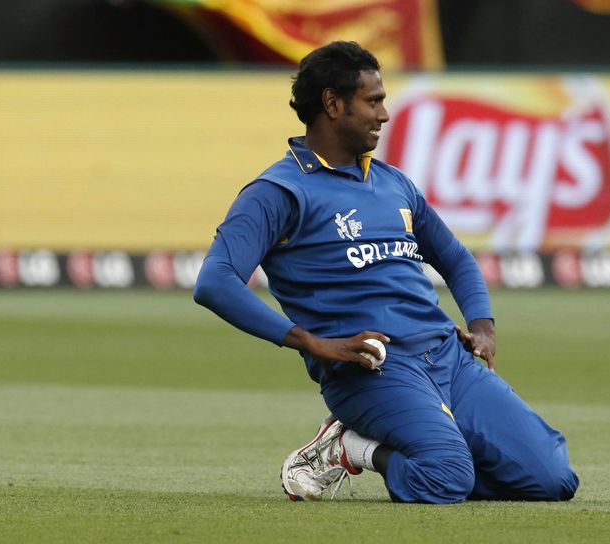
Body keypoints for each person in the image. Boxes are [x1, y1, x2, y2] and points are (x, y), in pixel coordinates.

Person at [193, 41, 579, 504]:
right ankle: (349, 447)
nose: (384, 114)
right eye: (372, 101)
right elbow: (214, 282)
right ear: (332, 104)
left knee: (553, 480)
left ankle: (435, 449)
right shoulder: (278, 192)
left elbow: (455, 258)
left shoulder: (394, 183)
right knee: (445, 478)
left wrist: (481, 325)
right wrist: (310, 343)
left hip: (448, 358)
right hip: (374, 371)